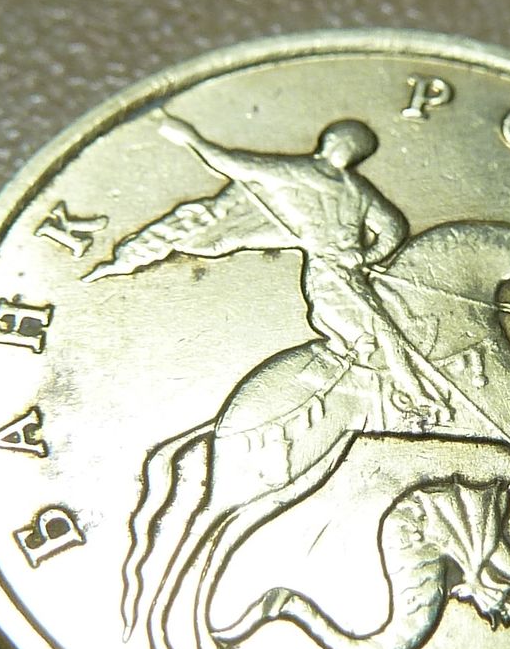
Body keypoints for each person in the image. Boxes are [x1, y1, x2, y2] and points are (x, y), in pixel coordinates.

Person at [86, 115, 449, 422]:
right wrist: (192, 139)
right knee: (371, 334)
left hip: (351, 271)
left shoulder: (357, 189)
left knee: (389, 329)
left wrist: (366, 257)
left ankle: (410, 395)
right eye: (350, 145)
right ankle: (401, 398)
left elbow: (393, 227)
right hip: (327, 273)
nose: (350, 152)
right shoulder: (299, 173)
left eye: (356, 150)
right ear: (332, 142)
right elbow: (235, 165)